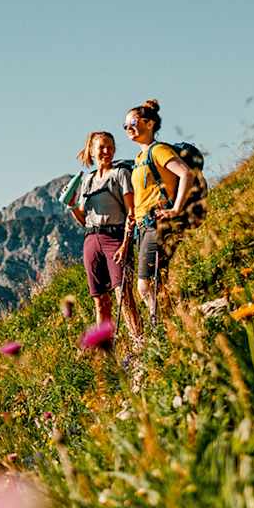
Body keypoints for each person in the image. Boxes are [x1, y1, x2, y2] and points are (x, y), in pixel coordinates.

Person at [123, 99, 194, 322]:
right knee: (156, 281)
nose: (129, 128)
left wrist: (176, 208)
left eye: (133, 122)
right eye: (125, 125)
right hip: (143, 225)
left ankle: (162, 327)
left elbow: (186, 174)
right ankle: (174, 323)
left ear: (150, 123)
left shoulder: (158, 150)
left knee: (146, 285)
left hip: (158, 222)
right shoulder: (138, 159)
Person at [69, 131, 143, 344]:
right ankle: (106, 349)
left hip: (115, 238)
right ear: (91, 151)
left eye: (110, 146)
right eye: (101, 147)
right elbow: (84, 220)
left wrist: (126, 245)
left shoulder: (120, 174)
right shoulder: (88, 180)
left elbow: (132, 212)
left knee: (124, 295)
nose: (107, 151)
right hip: (91, 240)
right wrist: (73, 206)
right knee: (100, 300)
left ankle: (138, 342)